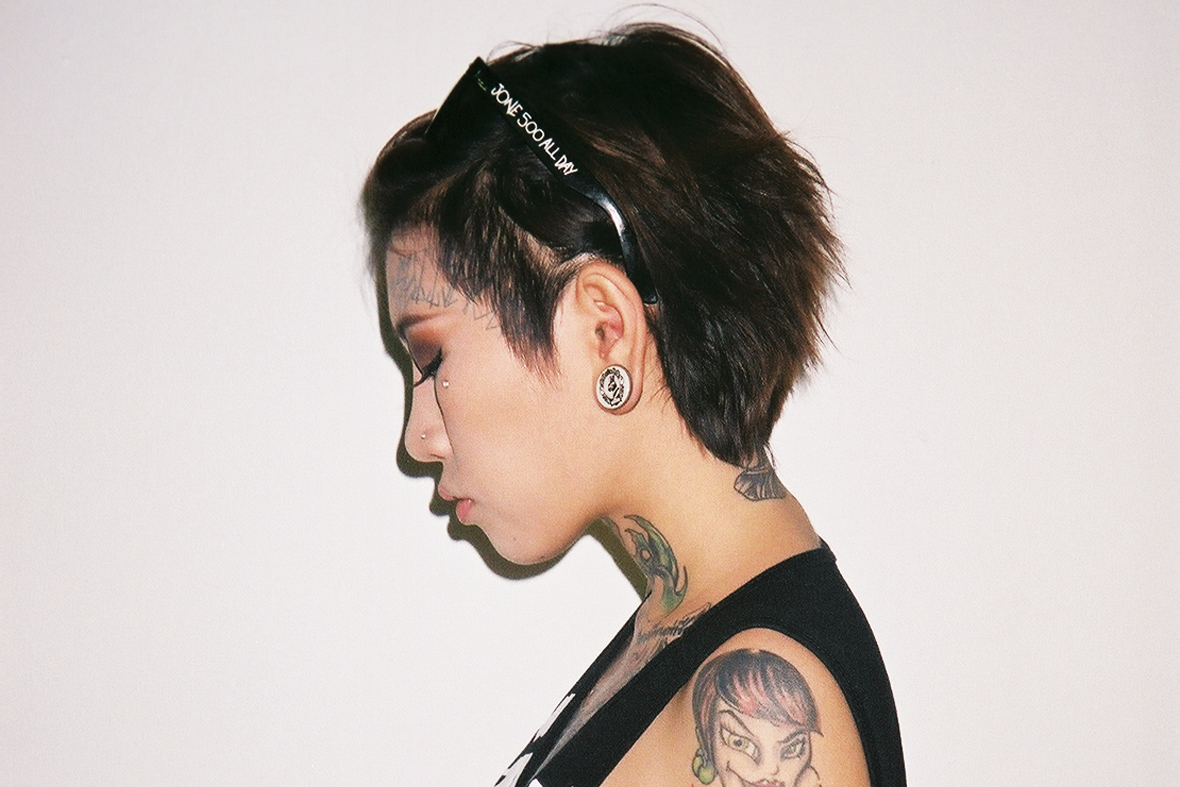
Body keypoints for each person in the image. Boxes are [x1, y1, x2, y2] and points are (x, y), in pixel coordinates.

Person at [361, 22, 905, 787]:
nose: (418, 438)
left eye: (431, 357)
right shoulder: (684, 633)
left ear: (604, 329)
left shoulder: (763, 697)